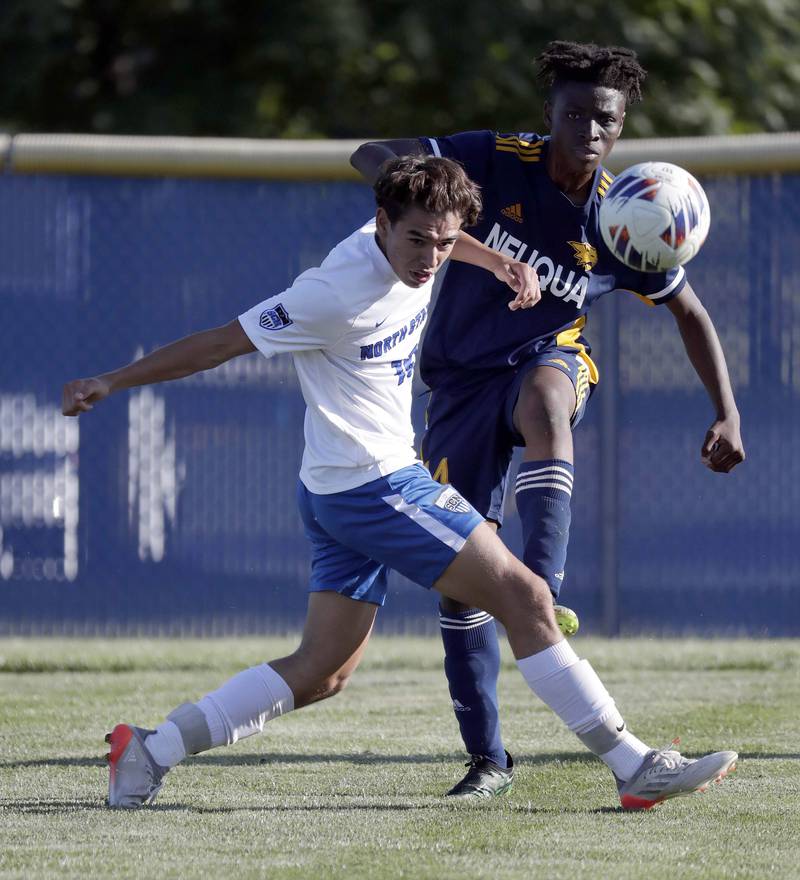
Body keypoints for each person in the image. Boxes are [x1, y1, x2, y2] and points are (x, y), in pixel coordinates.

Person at [63, 155, 737, 812]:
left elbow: (445, 227)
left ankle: (151, 749)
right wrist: (112, 381)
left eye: (445, 243)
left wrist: (497, 260)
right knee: (525, 595)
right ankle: (634, 765)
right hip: (375, 487)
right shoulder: (331, 293)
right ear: (379, 223)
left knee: (323, 670)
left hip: (333, 488)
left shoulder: (430, 240)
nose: (430, 257)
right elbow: (219, 343)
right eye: (416, 239)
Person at [350, 40, 745, 799]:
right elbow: (373, 157)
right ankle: (488, 760)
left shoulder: (628, 215)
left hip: (546, 358)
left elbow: (689, 312)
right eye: (576, 115)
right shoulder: (491, 161)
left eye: (606, 119)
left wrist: (726, 412)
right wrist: (458, 234)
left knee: (548, 399)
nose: (590, 131)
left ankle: (544, 582)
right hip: (459, 383)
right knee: (460, 591)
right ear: (549, 115)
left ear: (621, 126)